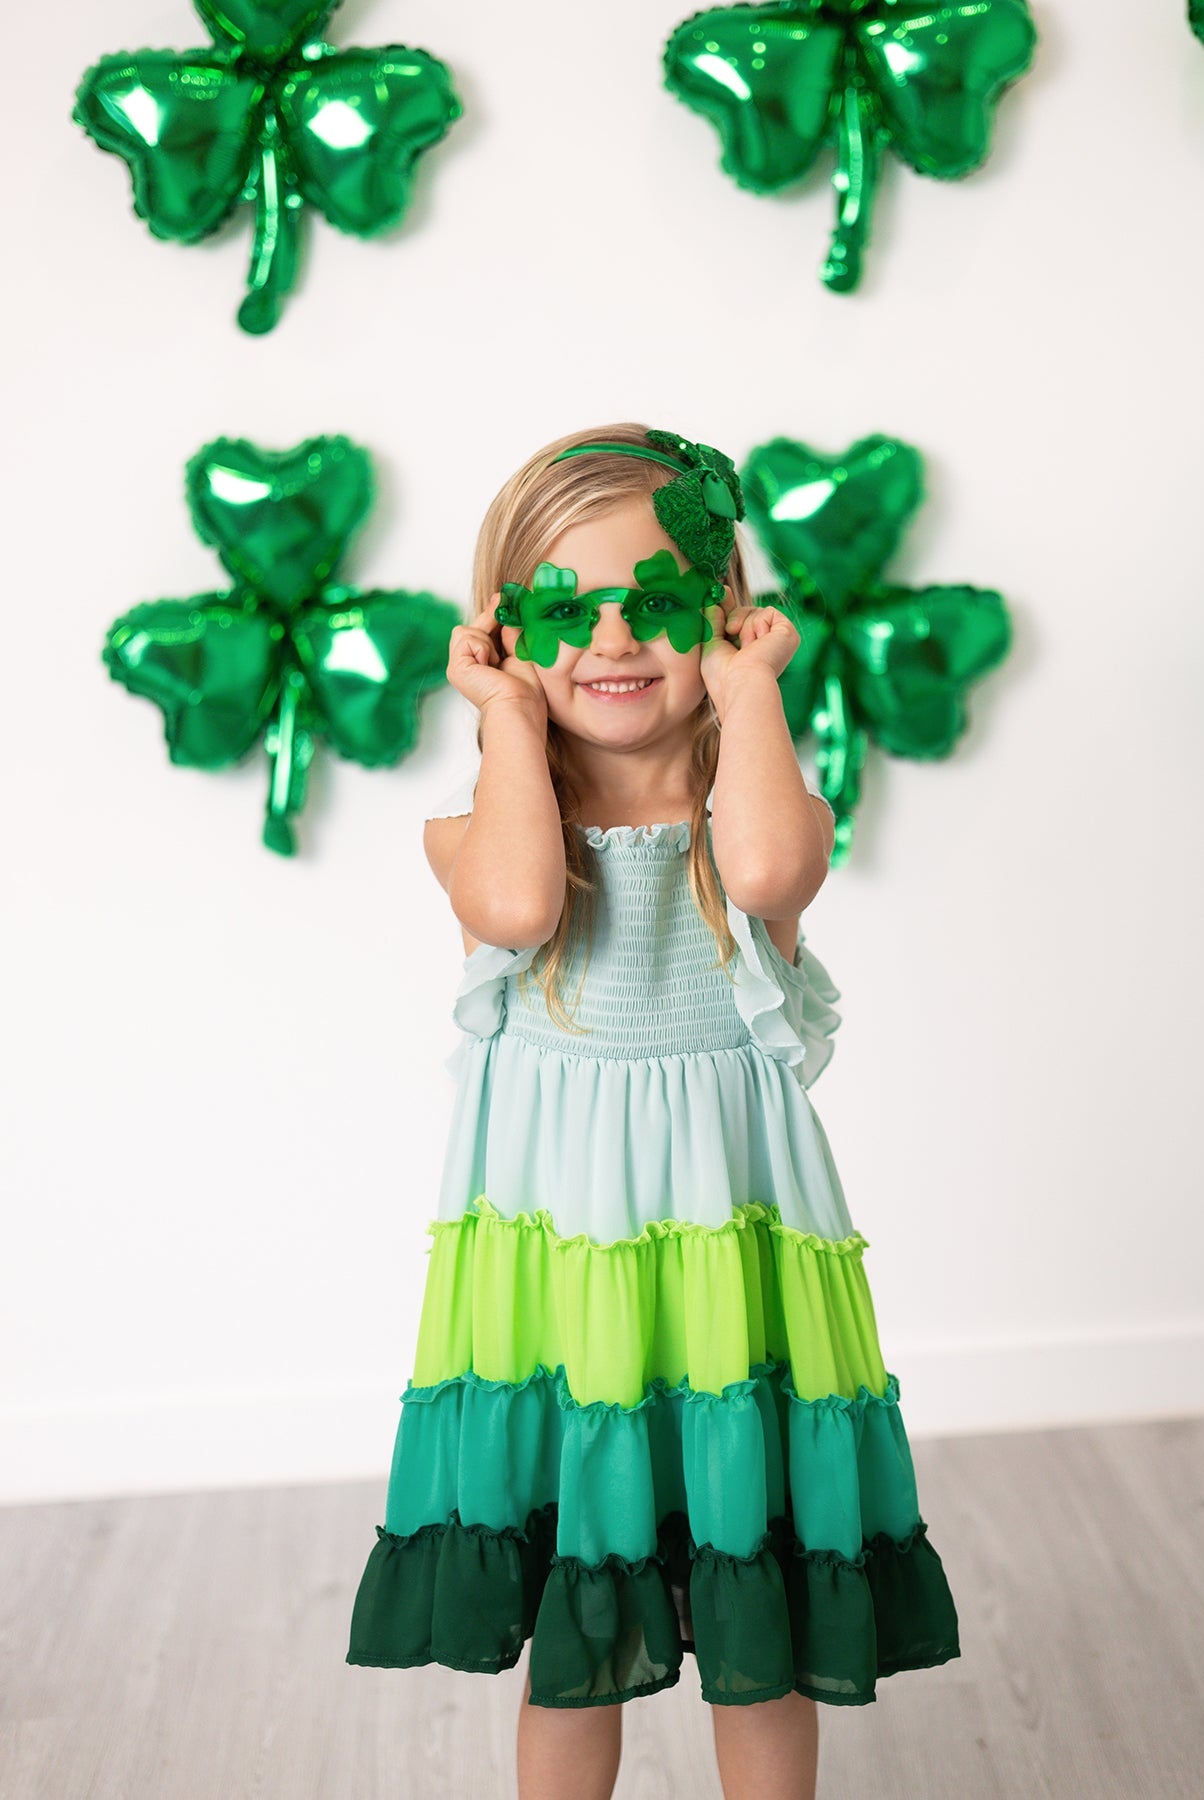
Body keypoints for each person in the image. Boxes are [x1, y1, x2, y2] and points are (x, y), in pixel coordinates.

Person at [347, 423, 960, 1800]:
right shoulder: (480, 835)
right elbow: (520, 908)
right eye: (564, 610)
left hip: (736, 1258)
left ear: (722, 616)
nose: (614, 638)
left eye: (661, 602)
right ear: (506, 633)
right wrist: (508, 720)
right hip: (568, 1279)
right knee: (578, 1623)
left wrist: (750, 694)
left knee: (762, 1623)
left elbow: (766, 877)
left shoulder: (759, 815)